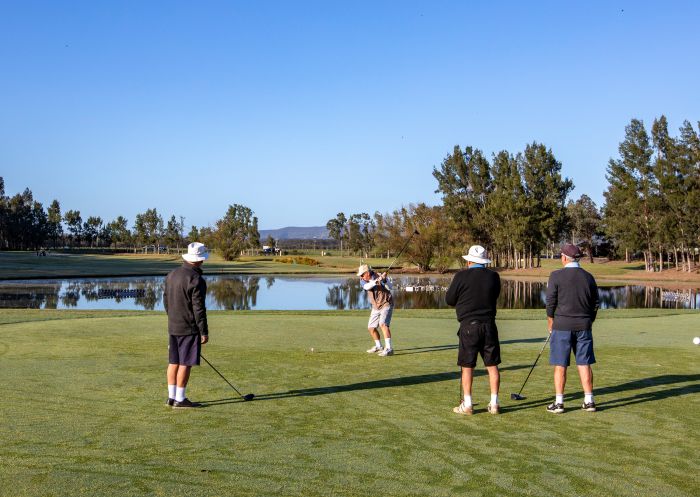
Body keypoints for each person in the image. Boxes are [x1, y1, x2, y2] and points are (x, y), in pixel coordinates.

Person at [446, 245, 502, 415]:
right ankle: (494, 403)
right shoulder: (494, 276)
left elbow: (450, 299)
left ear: (469, 260)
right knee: (492, 366)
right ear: (484, 261)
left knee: (467, 366)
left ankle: (468, 404)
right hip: (489, 325)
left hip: (468, 326)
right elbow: (495, 295)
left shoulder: (461, 275)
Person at [545, 243, 599, 414]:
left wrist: (550, 322)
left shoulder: (556, 276)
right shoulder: (588, 277)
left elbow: (550, 302)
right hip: (584, 326)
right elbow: (596, 303)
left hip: (562, 326)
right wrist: (589, 320)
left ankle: (559, 403)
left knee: (560, 364)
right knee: (584, 363)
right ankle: (589, 401)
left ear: (564, 258)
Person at [163, 242, 210, 408]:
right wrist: (203, 331)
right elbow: (199, 308)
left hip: (173, 325)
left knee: (174, 361)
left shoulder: (171, 274)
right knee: (185, 363)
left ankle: (171, 397)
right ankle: (180, 399)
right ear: (199, 260)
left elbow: (166, 301)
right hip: (189, 327)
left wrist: (173, 318)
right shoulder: (197, 279)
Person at [358, 264, 394, 356]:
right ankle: (379, 346)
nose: (361, 277)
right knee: (371, 328)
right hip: (375, 306)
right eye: (361, 275)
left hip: (386, 303)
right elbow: (367, 287)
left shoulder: (379, 276)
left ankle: (389, 349)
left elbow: (390, 287)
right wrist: (377, 281)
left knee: (383, 324)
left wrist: (385, 280)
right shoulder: (363, 281)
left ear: (367, 273)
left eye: (362, 274)